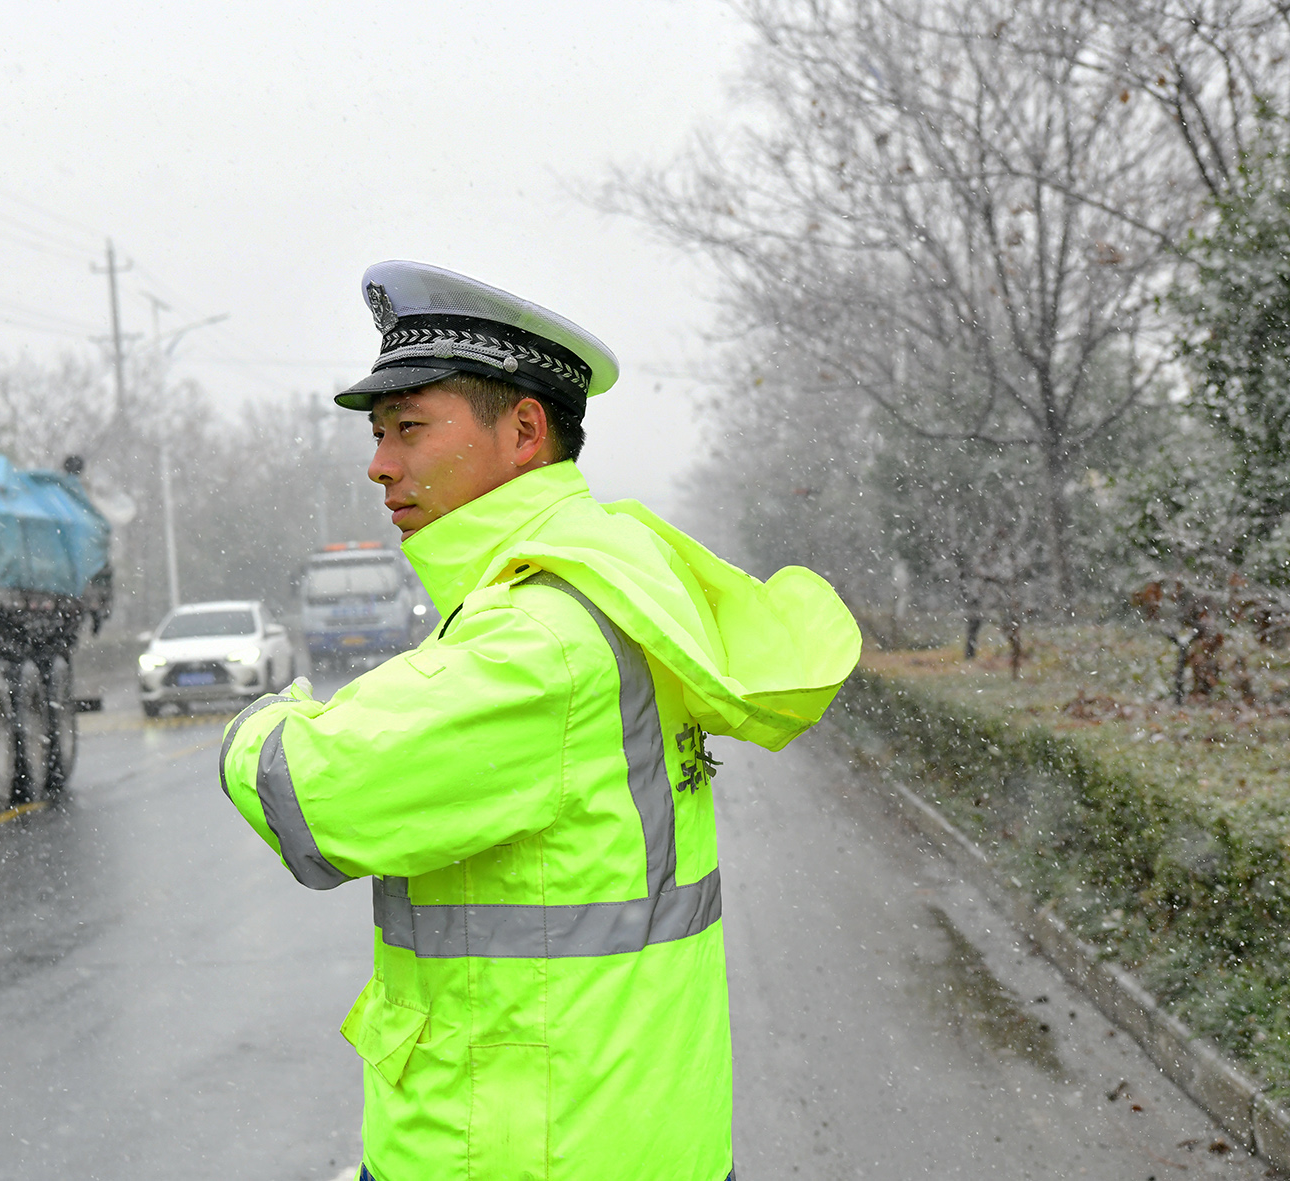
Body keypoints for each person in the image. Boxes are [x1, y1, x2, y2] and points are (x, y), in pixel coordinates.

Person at [218, 261, 860, 1181]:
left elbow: (313, 798)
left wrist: (262, 721)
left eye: (409, 427)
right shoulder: (606, 582)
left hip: (521, 1145)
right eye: (377, 432)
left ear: (524, 431)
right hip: (630, 1128)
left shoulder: (540, 635)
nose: (379, 463)